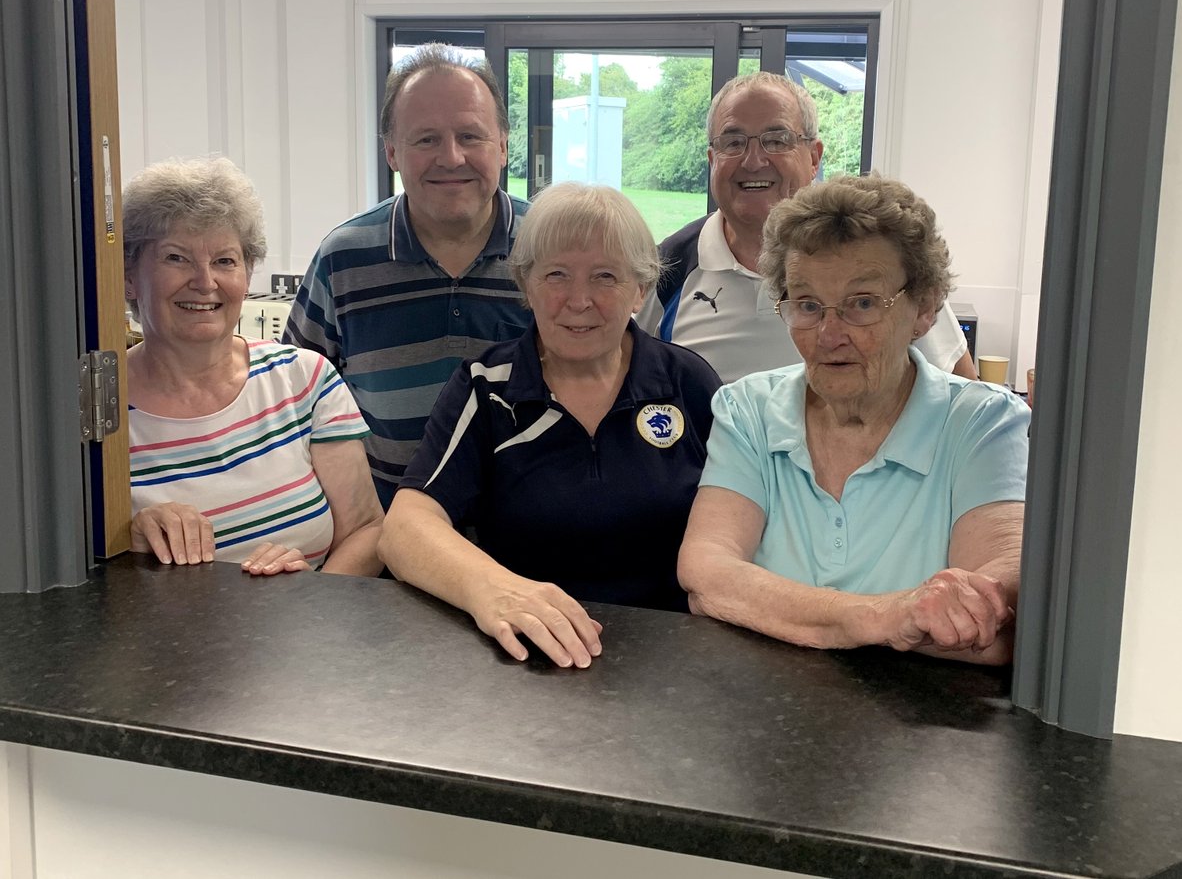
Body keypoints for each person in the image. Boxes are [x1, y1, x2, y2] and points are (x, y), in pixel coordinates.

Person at [678, 174, 1028, 664]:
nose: (829, 333)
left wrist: (768, 607)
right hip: (753, 711)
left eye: (862, 303)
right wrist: (888, 616)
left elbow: (987, 616)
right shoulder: (748, 410)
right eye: (807, 305)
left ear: (924, 308)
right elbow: (706, 572)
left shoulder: (984, 423)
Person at [380, 183, 721, 669]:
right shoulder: (487, 389)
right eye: (556, 274)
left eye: (605, 276)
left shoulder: (687, 382)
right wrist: (494, 589)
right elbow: (405, 527)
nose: (578, 300)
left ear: (639, 288)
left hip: (674, 662)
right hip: (528, 657)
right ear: (526, 284)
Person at [284, 44, 530, 509]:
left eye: (470, 136)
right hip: (384, 547)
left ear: (502, 145)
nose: (451, 157)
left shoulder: (550, 250)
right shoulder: (343, 261)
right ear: (392, 151)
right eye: (426, 139)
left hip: (526, 546)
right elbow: (295, 405)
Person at [124, 157, 383, 576]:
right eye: (176, 258)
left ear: (246, 275)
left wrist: (312, 598)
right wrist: (127, 544)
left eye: (225, 261)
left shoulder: (304, 379)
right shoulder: (100, 411)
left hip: (312, 633)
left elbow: (368, 530)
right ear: (129, 276)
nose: (205, 281)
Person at [638, 72, 978, 383]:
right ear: (712, 160)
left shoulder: (880, 258)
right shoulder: (668, 268)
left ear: (814, 157)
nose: (753, 161)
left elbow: (963, 395)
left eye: (776, 140)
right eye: (733, 143)